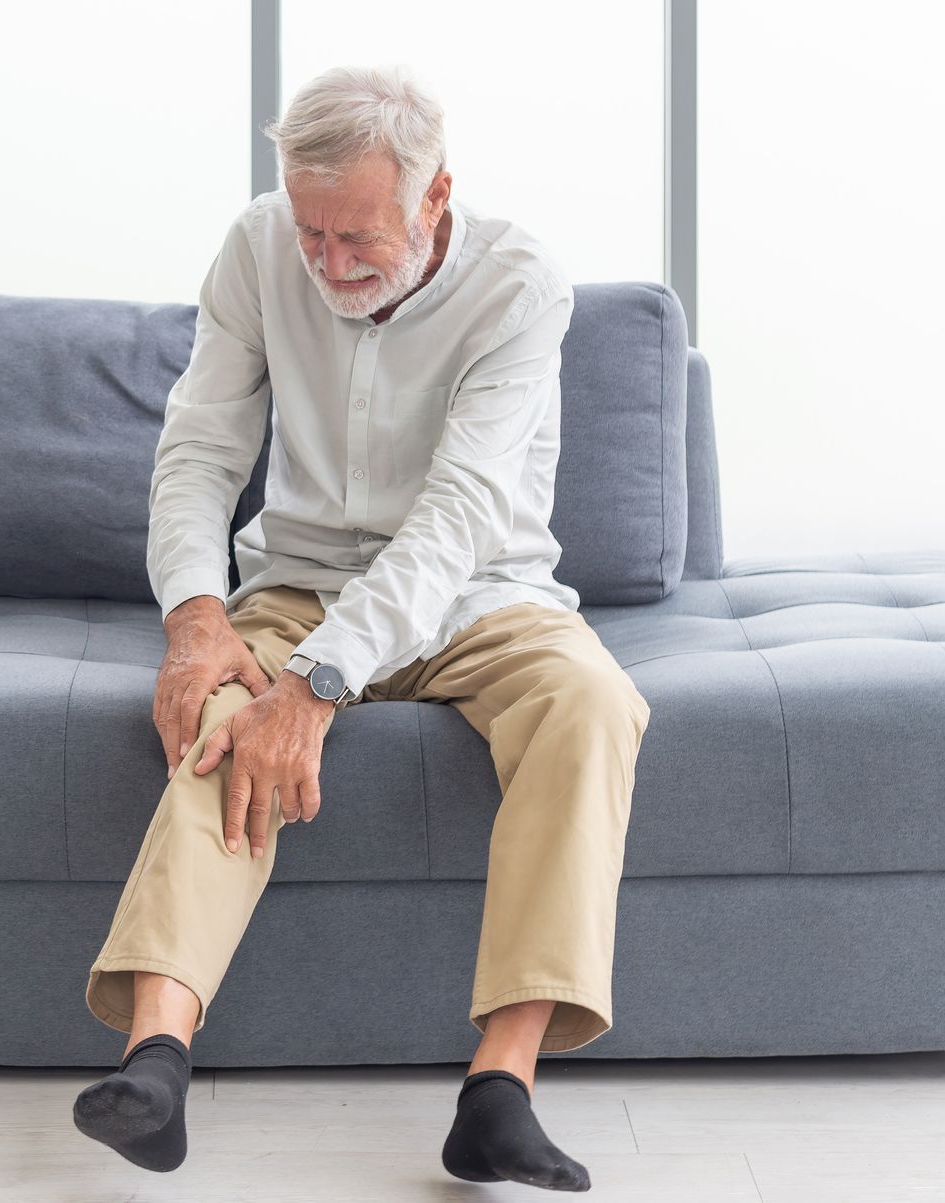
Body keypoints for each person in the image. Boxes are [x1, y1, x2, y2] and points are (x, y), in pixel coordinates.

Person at [71, 64, 650, 1192]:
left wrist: (324, 686)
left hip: (482, 590)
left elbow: (461, 512)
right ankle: (154, 1066)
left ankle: (501, 1090)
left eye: (357, 237)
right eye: (311, 232)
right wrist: (195, 618)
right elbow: (201, 447)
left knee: (592, 704)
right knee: (219, 717)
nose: (328, 263)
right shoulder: (255, 248)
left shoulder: (520, 283)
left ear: (434, 199)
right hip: (299, 582)